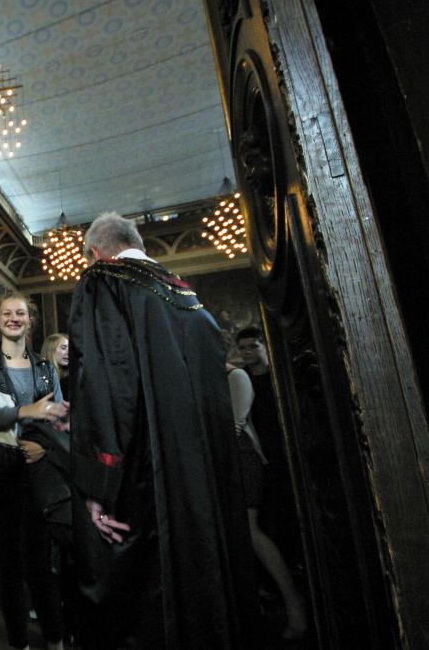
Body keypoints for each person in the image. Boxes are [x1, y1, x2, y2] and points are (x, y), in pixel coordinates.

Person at [68, 212, 256, 648]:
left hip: (142, 481)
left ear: (96, 253)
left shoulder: (104, 283)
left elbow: (107, 384)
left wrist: (100, 482)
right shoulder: (193, 305)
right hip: (200, 486)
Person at [0, 293, 68, 650]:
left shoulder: (44, 367)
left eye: (21, 313)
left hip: (40, 476)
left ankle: (56, 641)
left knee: (41, 565)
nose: (14, 318)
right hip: (0, 474)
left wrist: (46, 443)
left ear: (30, 321)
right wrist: (29, 412)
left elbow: (60, 419)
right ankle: (19, 644)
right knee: (10, 568)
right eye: (7, 314)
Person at [228, 366, 308, 640]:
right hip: (224, 460)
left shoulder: (236, 376)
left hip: (241, 458)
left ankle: (294, 604)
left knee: (251, 531)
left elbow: (234, 426)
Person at [235, 326, 301, 570]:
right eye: (242, 348)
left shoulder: (281, 376)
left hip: (288, 450)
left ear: (264, 346)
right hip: (261, 455)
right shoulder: (242, 378)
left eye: (253, 346)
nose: (247, 352)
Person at [40, 333, 70, 404]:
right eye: (63, 348)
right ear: (50, 350)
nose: (68, 352)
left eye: (70, 348)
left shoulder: (72, 379)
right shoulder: (41, 378)